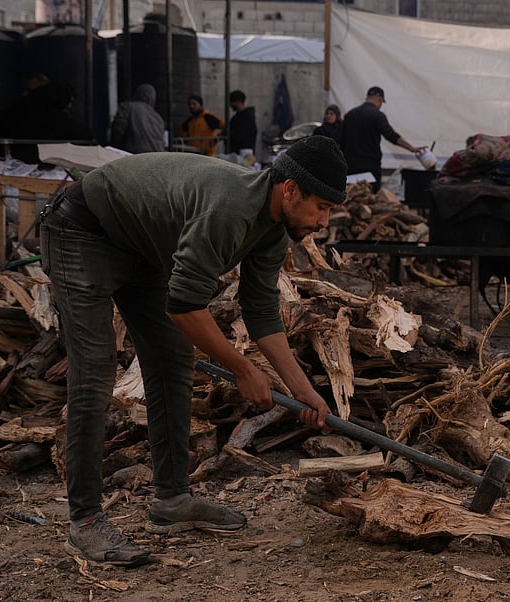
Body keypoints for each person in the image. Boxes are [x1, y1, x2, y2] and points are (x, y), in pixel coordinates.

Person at [39, 136, 345, 566]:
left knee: (172, 360)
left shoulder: (273, 231)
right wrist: (241, 368)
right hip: (82, 231)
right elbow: (184, 307)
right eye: (321, 208)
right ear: (290, 189)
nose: (324, 222)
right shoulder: (232, 208)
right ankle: (85, 522)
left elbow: (261, 313)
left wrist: (303, 391)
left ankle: (172, 501)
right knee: (94, 372)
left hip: (143, 246)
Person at [341, 86, 428, 192]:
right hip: (370, 167)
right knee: (369, 200)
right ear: (380, 99)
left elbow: (341, 141)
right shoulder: (377, 115)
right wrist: (412, 148)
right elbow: (391, 135)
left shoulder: (350, 115)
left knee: (351, 198)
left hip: (350, 167)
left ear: (367, 98)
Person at [109, 83, 165, 153]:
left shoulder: (128, 107)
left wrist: (115, 150)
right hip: (155, 158)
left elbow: (118, 132)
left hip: (133, 156)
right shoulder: (158, 118)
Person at [227, 90, 258, 155]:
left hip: (243, 153)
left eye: (232, 102)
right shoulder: (237, 117)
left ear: (238, 102)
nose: (230, 105)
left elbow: (243, 135)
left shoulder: (247, 117)